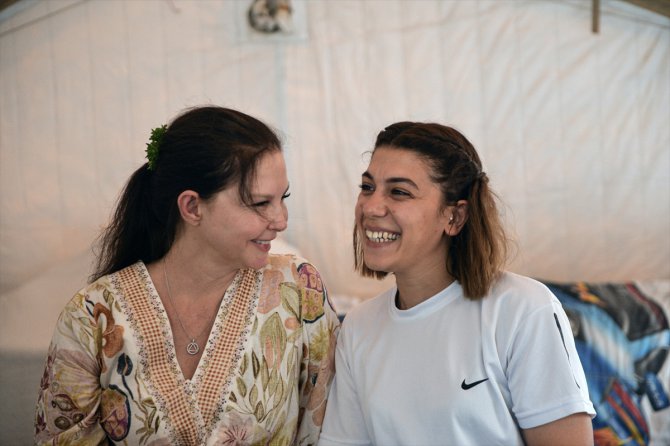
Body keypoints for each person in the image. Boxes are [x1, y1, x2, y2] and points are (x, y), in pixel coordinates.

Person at [34, 106, 340, 445]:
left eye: (283, 198)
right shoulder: (91, 317)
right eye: (260, 203)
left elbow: (329, 429)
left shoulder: (299, 290)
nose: (281, 220)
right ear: (192, 207)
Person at [319, 122, 596, 446]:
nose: (370, 207)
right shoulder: (357, 328)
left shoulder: (524, 310)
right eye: (367, 187)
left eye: (399, 192)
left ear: (454, 217)